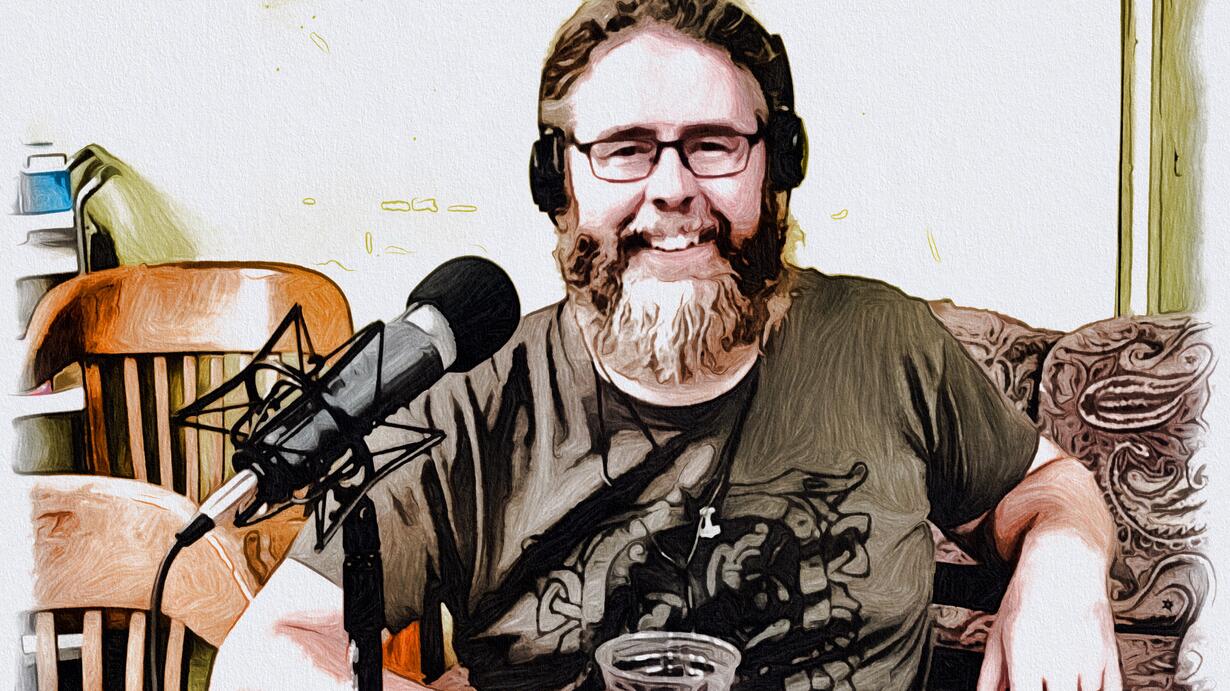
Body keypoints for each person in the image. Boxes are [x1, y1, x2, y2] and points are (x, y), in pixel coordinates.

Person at [214, 1, 1122, 689]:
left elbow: (1047, 485)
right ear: (558, 182)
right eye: (625, 149)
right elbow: (266, 650)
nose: (673, 189)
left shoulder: (883, 341)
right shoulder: (472, 397)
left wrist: (1062, 566)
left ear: (778, 166)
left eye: (714, 144)